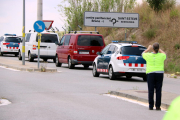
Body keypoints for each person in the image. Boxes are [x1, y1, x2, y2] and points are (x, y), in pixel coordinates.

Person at [142, 43, 166, 110]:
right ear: (158, 49)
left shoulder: (148, 55)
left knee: (151, 90)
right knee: (158, 90)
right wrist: (159, 50)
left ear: (152, 49)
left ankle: (151, 105)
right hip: (159, 73)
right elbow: (165, 54)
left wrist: (148, 49)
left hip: (150, 73)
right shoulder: (161, 55)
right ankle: (158, 106)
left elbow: (142, 54)